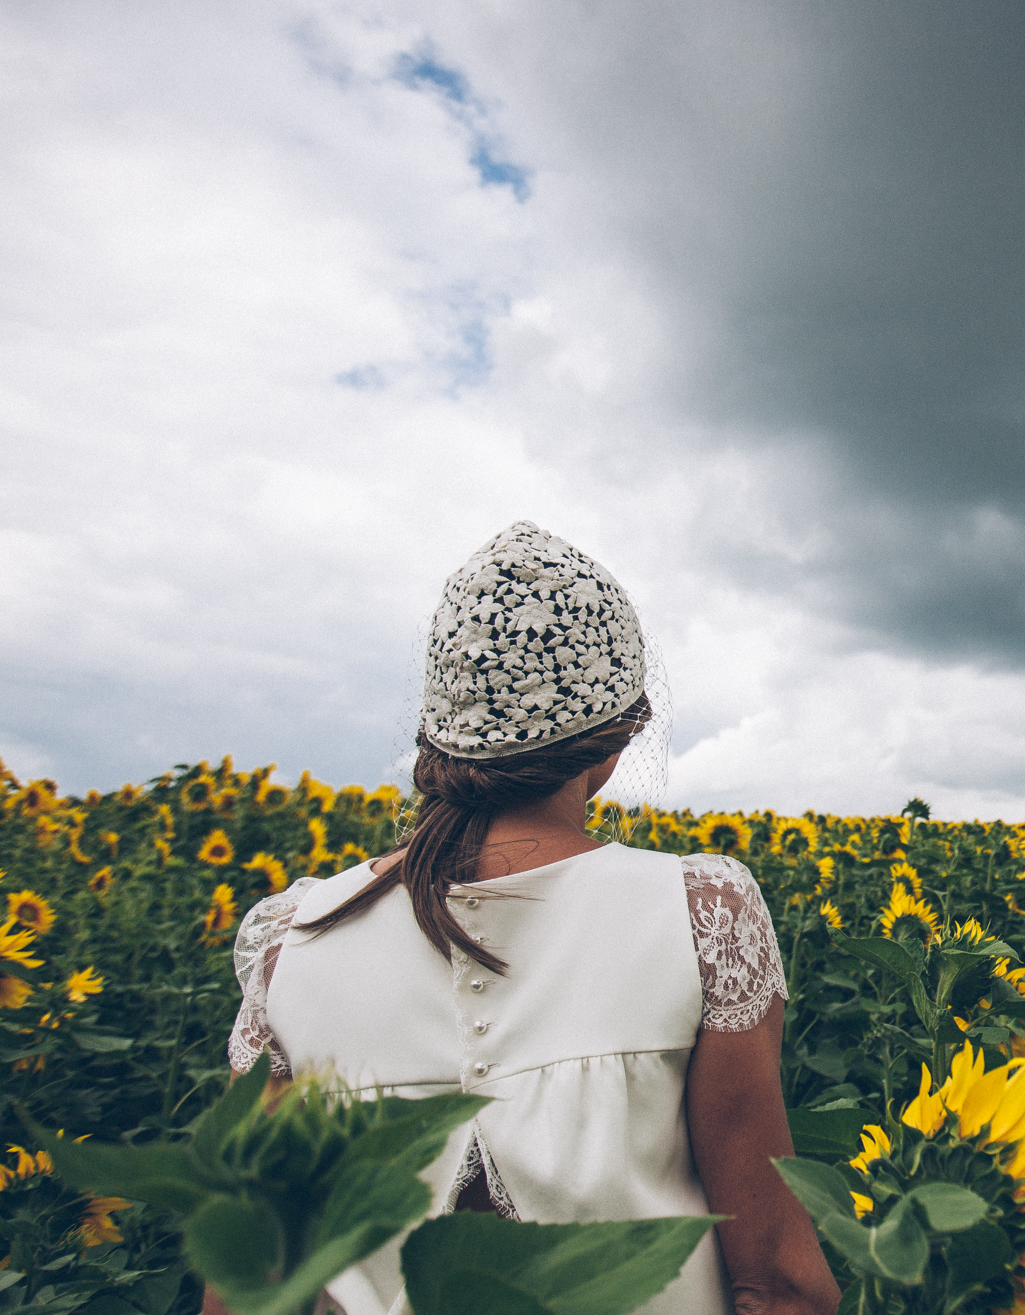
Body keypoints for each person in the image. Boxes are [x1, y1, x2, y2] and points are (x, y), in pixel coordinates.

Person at [219, 522, 838, 1315]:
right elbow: (778, 1282)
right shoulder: (699, 916)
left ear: (441, 735)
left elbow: (246, 1290)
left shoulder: (293, 940)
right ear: (610, 744)